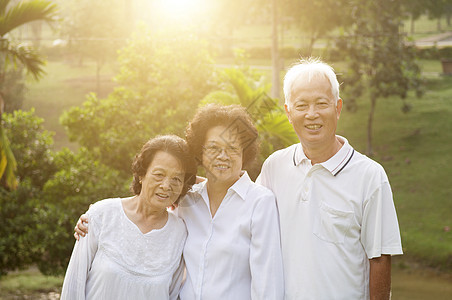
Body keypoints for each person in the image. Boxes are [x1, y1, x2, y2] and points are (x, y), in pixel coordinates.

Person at [74, 104, 285, 300]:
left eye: (232, 148)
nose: (223, 156)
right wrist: (96, 218)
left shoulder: (260, 203)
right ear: (200, 153)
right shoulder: (186, 200)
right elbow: (152, 198)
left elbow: (267, 284)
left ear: (244, 153)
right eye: (213, 148)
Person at [256, 57, 403, 299]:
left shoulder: (370, 176)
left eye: (321, 103)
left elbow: (379, 259)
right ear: (288, 111)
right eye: (301, 105)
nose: (311, 114)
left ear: (338, 107)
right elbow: (244, 212)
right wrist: (197, 188)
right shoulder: (274, 166)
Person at [61, 135, 196, 300]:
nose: (166, 186)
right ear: (141, 174)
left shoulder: (180, 233)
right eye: (159, 174)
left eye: (176, 179)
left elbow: (172, 294)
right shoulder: (101, 215)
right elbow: (73, 287)